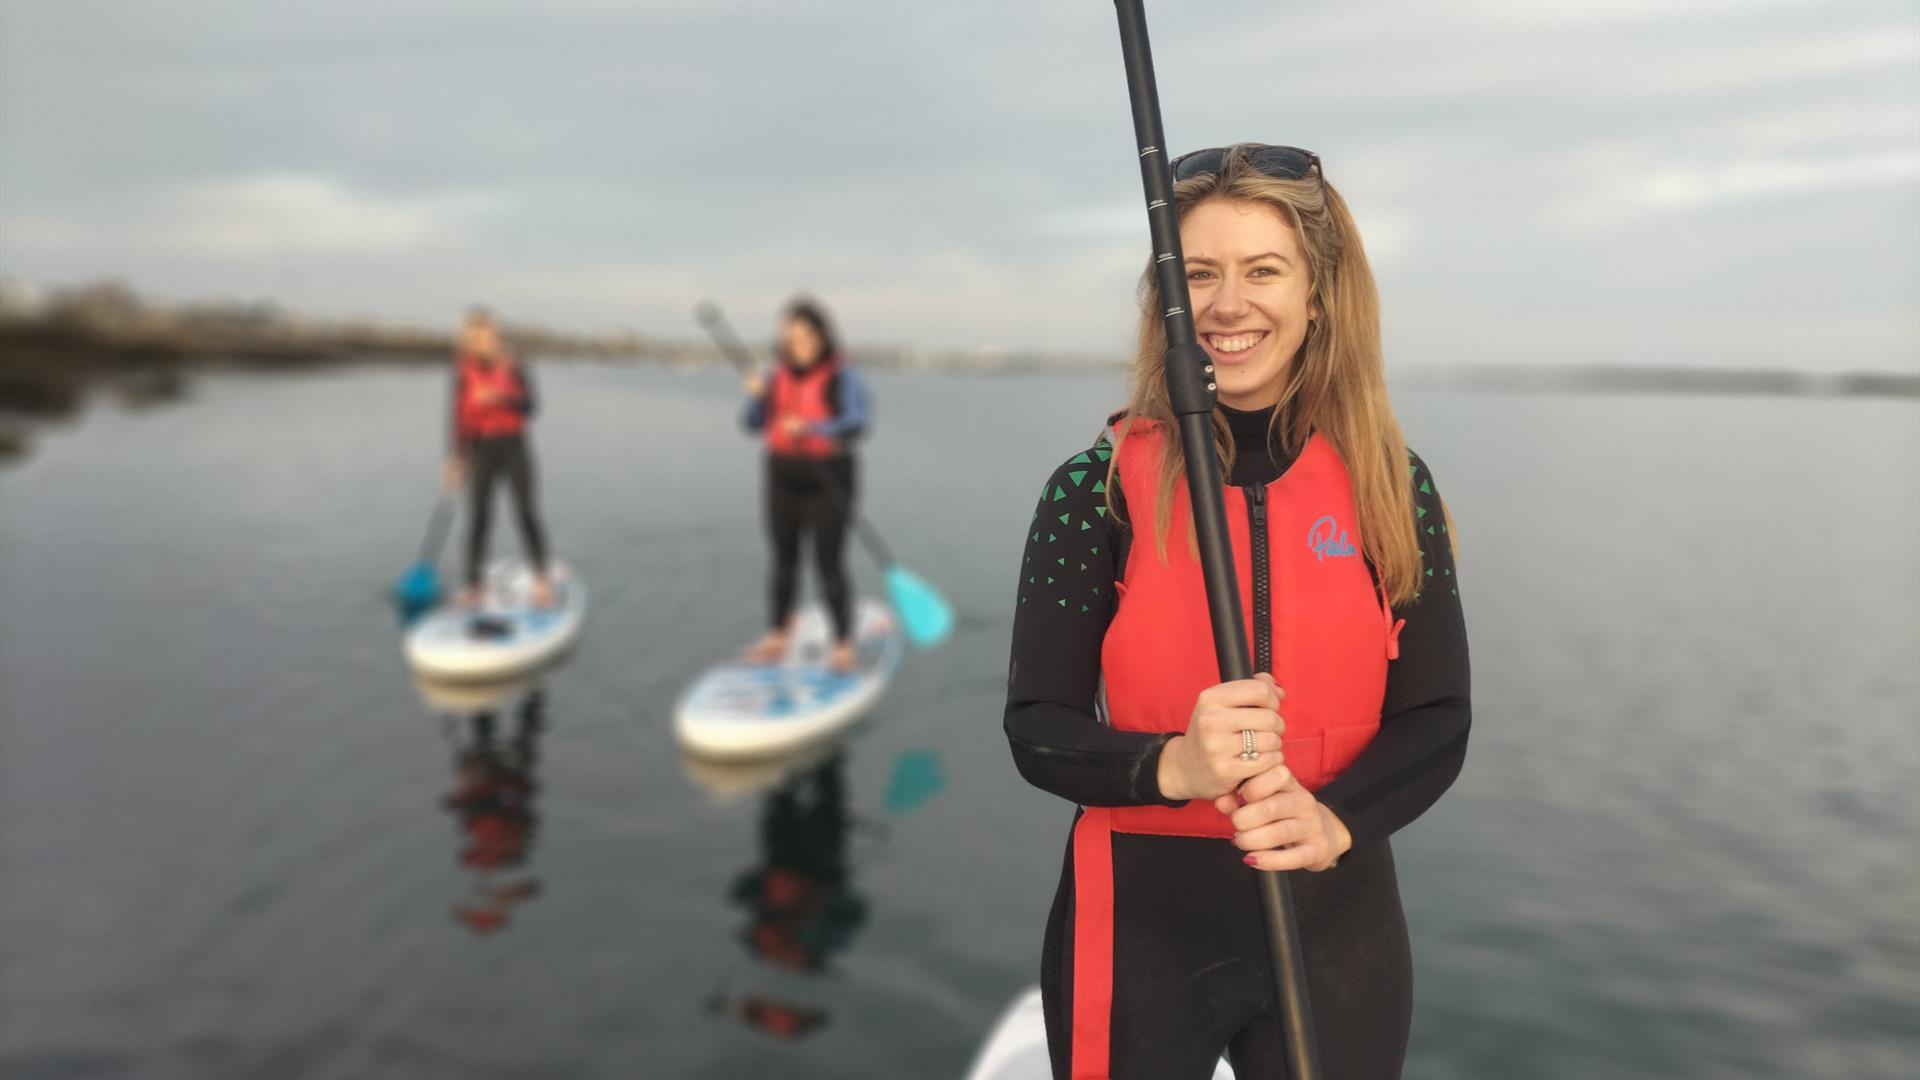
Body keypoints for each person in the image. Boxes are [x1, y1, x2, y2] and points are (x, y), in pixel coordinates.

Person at [1002, 144, 1471, 1078]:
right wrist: (1172, 763)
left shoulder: (1391, 484)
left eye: (1263, 270)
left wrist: (1337, 820)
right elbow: (1035, 727)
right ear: (1164, 300)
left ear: (1318, 294)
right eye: (1198, 274)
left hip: (1341, 928)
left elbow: (1438, 720)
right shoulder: (1095, 488)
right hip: (1139, 931)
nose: (1227, 304)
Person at [739, 299, 871, 673]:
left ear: (821, 335)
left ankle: (844, 642)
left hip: (829, 476)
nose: (799, 345)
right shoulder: (774, 375)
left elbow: (857, 423)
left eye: (806, 336)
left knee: (827, 561)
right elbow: (751, 424)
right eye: (791, 338)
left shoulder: (842, 376)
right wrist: (755, 397)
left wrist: (812, 428)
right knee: (783, 559)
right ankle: (778, 634)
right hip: (782, 475)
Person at [443, 307, 554, 608]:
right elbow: (457, 417)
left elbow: (531, 407)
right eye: (481, 336)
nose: (488, 340)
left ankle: (542, 578)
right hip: (479, 447)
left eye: (492, 334)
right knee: (479, 517)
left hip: (513, 445)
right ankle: (473, 585)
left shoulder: (515, 366)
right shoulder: (463, 371)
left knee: (526, 511)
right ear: (471, 339)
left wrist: (501, 397)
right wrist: (454, 459)